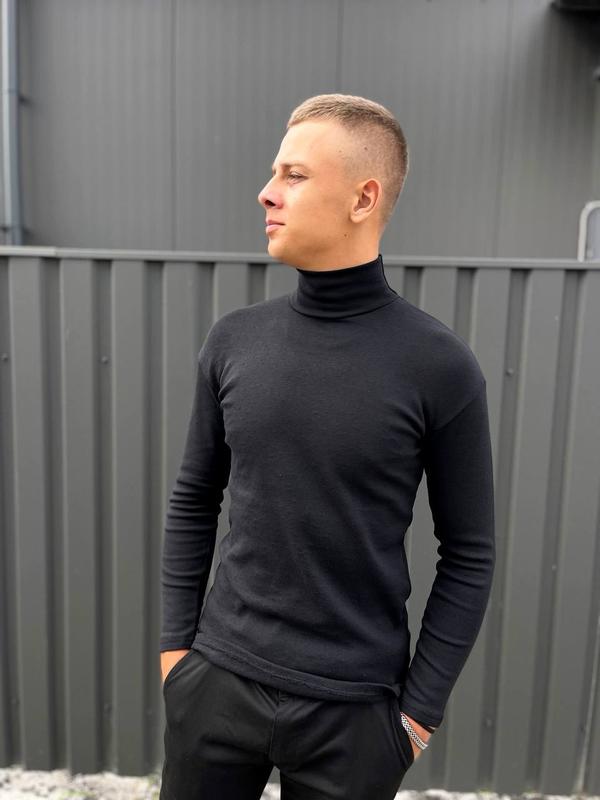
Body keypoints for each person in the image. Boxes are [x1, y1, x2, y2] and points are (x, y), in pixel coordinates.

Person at [158, 93, 496, 800]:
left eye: (294, 175)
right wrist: (176, 659)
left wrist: (416, 718)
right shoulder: (234, 341)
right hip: (217, 686)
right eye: (274, 173)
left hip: (356, 716)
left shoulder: (439, 367)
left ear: (362, 198)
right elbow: (193, 498)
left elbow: (468, 553)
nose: (267, 192)